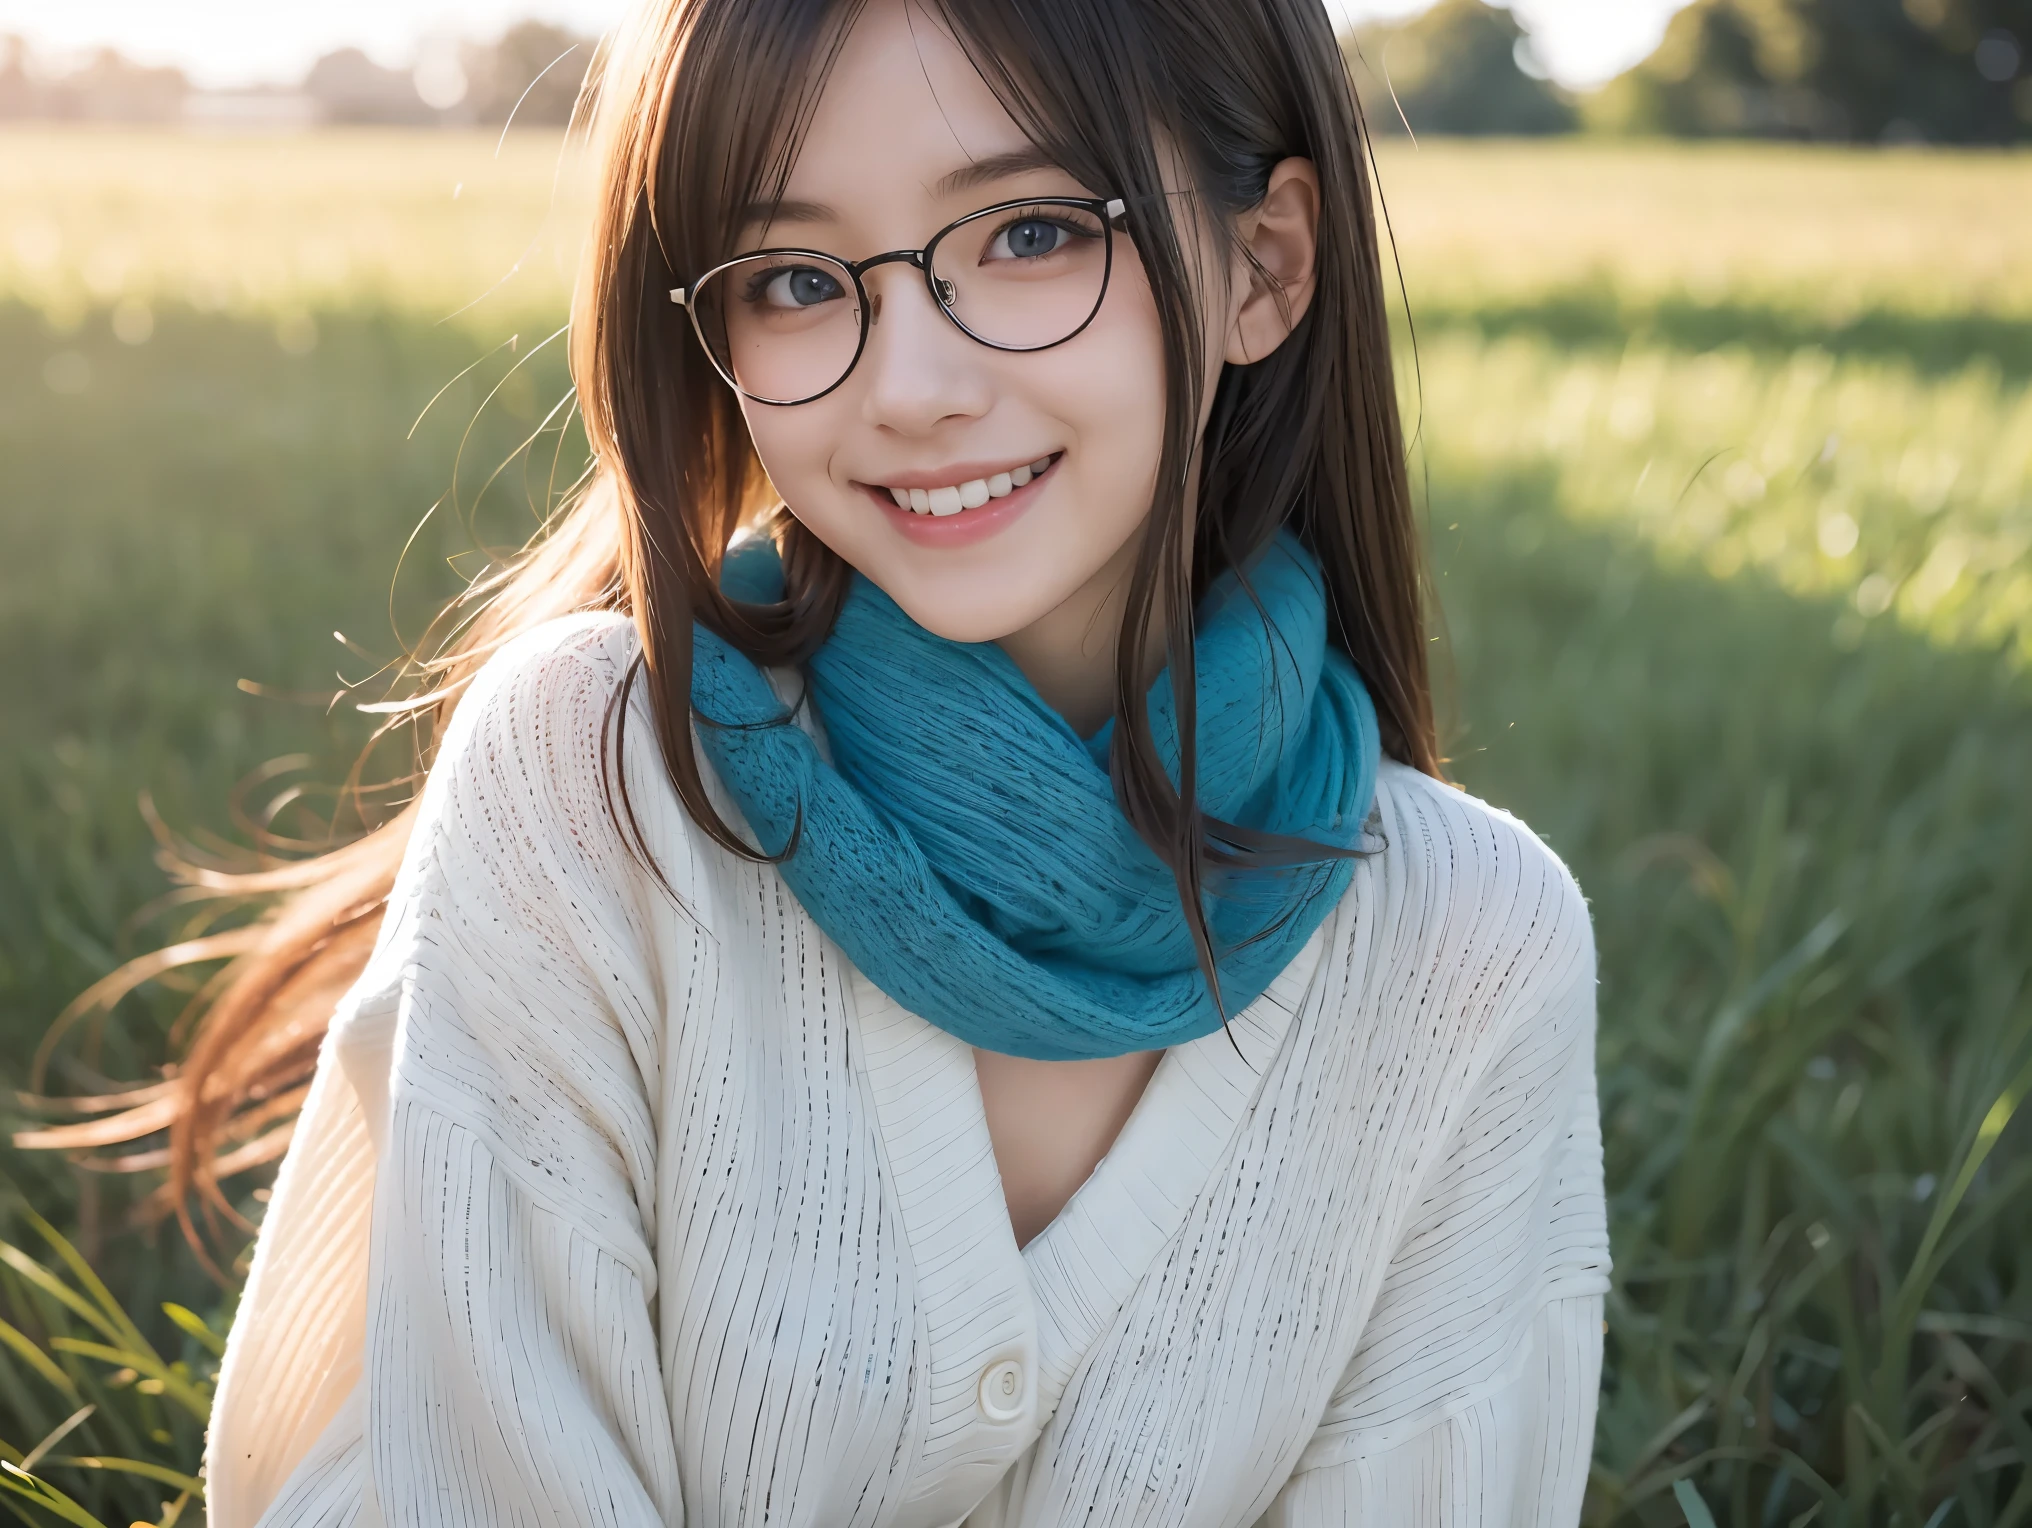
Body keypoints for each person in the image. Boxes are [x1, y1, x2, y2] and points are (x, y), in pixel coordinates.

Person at [155, 0, 1611, 1521]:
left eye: (1033, 234)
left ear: (1267, 263)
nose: (910, 385)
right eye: (795, 278)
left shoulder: (1471, 944)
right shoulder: (598, 783)